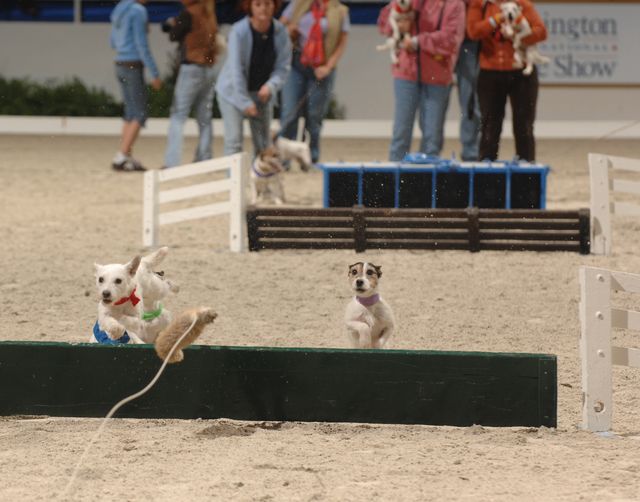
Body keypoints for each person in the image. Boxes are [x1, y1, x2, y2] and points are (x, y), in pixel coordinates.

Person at [378, 0, 465, 162]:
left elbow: (451, 39)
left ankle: (427, 182)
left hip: (437, 75)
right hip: (406, 73)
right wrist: (398, 18)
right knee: (401, 133)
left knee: (432, 136)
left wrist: (418, 42)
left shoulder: (454, 4)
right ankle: (396, 179)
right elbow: (384, 26)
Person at [467, 0, 547, 161]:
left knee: (524, 126)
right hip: (490, 71)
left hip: (521, 72)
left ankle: (527, 176)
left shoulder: (522, 4)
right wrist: (496, 19)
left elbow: (541, 32)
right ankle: (487, 176)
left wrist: (519, 33)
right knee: (490, 127)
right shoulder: (480, 4)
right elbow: (473, 31)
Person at [215, 0, 292, 157]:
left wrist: (270, 86)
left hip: (262, 94)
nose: (263, 8)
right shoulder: (238, 31)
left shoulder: (281, 32)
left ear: (274, 6)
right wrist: (245, 102)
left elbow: (283, 67)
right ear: (249, 7)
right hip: (232, 93)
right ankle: (235, 181)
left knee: (263, 144)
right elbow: (236, 70)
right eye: (258, 4)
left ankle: (259, 181)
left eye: (267, 4)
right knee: (234, 141)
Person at [279, 0, 350, 165]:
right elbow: (279, 28)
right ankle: (284, 159)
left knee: (314, 116)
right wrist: (289, 30)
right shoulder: (298, 4)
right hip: (296, 63)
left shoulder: (340, 10)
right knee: (290, 112)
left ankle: (311, 158)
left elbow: (342, 41)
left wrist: (328, 67)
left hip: (322, 68)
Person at [162, 0, 220, 169]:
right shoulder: (210, 12)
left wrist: (172, 24)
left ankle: (172, 161)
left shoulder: (188, 13)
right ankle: (205, 157)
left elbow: (174, 35)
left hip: (192, 66)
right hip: (209, 67)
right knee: (204, 118)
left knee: (178, 115)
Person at [110, 0, 162, 172]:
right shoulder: (138, 11)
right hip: (133, 64)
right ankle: (122, 156)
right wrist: (154, 72)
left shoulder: (119, 9)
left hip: (119, 62)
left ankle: (125, 155)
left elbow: (112, 41)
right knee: (139, 114)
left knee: (129, 113)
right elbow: (141, 44)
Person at [452, 0, 481, 161]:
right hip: (453, 41)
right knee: (469, 102)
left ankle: (474, 150)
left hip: (476, 43)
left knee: (474, 103)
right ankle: (470, 151)